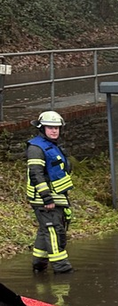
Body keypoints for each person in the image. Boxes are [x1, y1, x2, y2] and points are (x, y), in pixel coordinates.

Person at [26, 110, 74, 273]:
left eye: (57, 128)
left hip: (55, 196)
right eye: (50, 127)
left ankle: (39, 266)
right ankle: (62, 268)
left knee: (45, 230)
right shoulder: (36, 148)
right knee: (53, 230)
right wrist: (46, 198)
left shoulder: (52, 145)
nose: (54, 131)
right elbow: (36, 174)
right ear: (42, 128)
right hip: (44, 199)